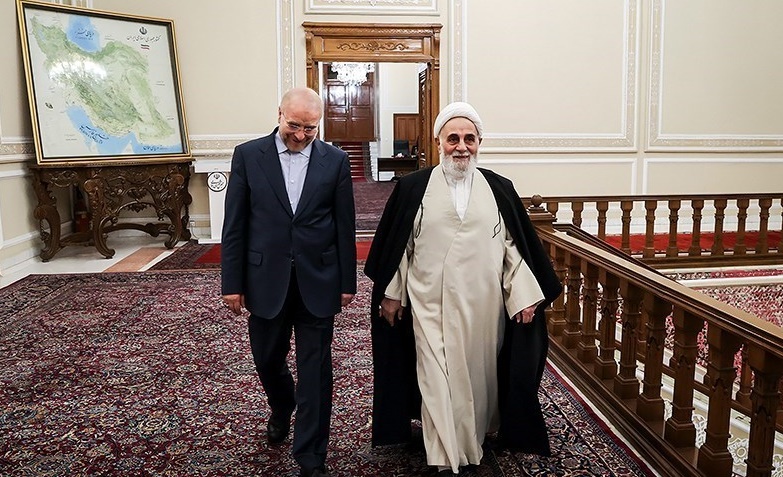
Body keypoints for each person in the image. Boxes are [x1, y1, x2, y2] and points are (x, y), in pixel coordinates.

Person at [364, 102, 562, 476]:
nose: (461, 146)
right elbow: (400, 249)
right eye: (452, 138)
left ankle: (472, 439)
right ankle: (446, 457)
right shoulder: (413, 187)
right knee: (436, 376)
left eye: (469, 139)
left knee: (478, 380)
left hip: (483, 308)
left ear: (479, 142)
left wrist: (522, 296)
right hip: (429, 303)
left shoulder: (498, 188)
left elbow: (512, 248)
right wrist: (392, 293)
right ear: (438, 142)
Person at [221, 87, 356, 477]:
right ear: (279, 113)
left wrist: (347, 281)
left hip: (319, 278)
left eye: (309, 129)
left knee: (315, 371)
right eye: (293, 125)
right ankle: (282, 405)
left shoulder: (336, 160)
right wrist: (232, 282)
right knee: (266, 359)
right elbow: (236, 224)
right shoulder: (249, 155)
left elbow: (344, 226)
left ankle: (311, 458)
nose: (300, 135)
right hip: (264, 278)